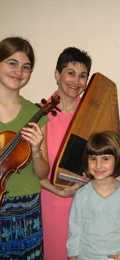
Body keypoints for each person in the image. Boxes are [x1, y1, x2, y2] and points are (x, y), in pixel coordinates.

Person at [40, 47, 92, 260]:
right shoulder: (41, 113)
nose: (76, 81)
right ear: (57, 74)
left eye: (82, 76)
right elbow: (34, 170)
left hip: (87, 201)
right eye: (70, 72)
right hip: (53, 200)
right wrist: (57, 191)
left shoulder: (91, 112)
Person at [0, 37, 49, 259]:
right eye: (12, 63)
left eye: (26, 67)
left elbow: (42, 172)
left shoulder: (35, 114)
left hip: (26, 208)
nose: (19, 71)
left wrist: (36, 150)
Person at [67, 131, 120, 260]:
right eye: (93, 159)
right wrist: (72, 257)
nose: (98, 165)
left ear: (117, 159)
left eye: (105, 159)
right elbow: (74, 231)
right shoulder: (81, 195)